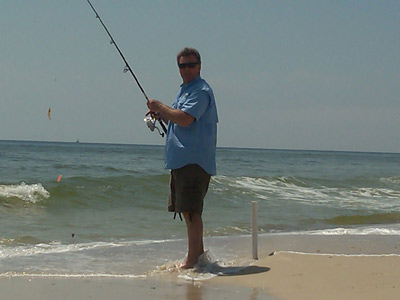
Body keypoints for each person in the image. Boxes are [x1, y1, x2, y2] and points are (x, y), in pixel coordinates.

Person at [146, 47, 218, 269]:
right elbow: (178, 120)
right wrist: (161, 114)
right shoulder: (185, 91)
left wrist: (159, 106)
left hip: (193, 160)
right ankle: (199, 256)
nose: (186, 69)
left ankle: (192, 259)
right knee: (188, 211)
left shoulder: (200, 91)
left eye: (191, 65)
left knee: (191, 211)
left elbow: (185, 119)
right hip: (181, 159)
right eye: (182, 65)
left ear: (199, 66)